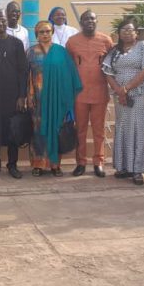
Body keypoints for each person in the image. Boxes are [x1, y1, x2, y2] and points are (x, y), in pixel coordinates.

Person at [102, 17, 144, 185]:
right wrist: (119, 90)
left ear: (136, 33)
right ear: (119, 33)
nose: (126, 32)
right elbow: (107, 72)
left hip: (140, 93)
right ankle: (124, 166)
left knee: (138, 127)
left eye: (130, 30)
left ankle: (138, 169)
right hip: (120, 96)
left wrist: (127, 88)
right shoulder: (114, 51)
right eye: (123, 30)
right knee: (123, 126)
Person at [26, 21, 83, 177]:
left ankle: (55, 165)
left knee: (56, 129)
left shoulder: (61, 52)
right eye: (41, 32)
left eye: (48, 31)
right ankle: (38, 164)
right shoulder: (31, 52)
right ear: (36, 34)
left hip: (57, 98)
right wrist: (29, 96)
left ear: (52, 33)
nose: (45, 34)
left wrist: (66, 97)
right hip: (38, 99)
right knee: (38, 131)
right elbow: (28, 76)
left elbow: (69, 74)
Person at [66, 10, 113, 177]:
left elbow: (112, 65)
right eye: (86, 19)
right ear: (81, 22)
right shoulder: (72, 42)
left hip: (100, 93)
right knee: (80, 130)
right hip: (79, 94)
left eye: (92, 18)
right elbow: (69, 67)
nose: (90, 21)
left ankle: (98, 162)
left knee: (99, 131)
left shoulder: (106, 41)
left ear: (97, 21)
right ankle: (81, 163)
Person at [0, 9, 27, 179]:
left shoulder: (17, 43)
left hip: (12, 95)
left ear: (6, 23)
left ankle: (12, 165)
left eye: (3, 20)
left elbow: (23, 71)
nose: (1, 23)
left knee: (12, 130)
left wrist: (22, 96)